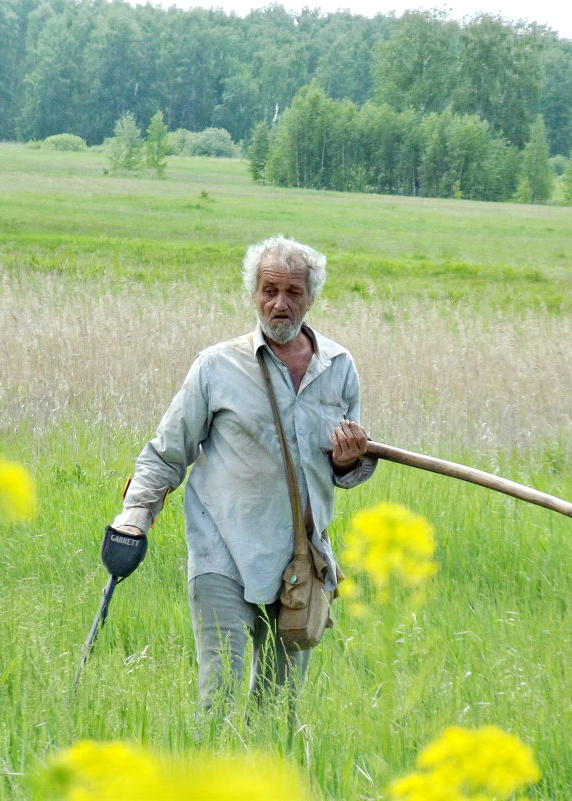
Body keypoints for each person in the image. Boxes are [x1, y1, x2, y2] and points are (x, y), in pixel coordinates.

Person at [105, 235, 376, 713]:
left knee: (276, 711)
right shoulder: (216, 366)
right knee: (221, 701)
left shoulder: (339, 368)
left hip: (300, 568)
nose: (279, 304)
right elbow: (165, 454)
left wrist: (348, 460)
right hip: (222, 553)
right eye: (269, 290)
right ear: (253, 292)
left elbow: (343, 473)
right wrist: (133, 518)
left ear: (311, 297)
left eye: (293, 292)